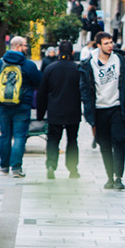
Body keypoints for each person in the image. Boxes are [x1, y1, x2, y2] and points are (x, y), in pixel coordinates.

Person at [79, 32, 125, 190]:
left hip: (117, 108)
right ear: (98, 45)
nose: (110, 45)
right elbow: (85, 89)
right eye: (106, 43)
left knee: (119, 142)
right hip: (99, 109)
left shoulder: (120, 60)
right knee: (104, 144)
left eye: (111, 42)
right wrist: (88, 111)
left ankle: (118, 177)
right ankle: (109, 177)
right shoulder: (89, 64)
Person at [0, 36, 42, 177]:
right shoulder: (28, 65)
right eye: (25, 45)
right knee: (19, 136)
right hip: (22, 105)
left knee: (5, 136)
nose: (26, 48)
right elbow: (39, 82)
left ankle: (4, 166)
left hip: (3, 105)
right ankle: (16, 168)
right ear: (18, 46)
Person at [36, 41, 81, 179]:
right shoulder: (77, 69)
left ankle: (51, 165)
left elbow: (42, 93)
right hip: (73, 111)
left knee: (53, 140)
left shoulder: (50, 69)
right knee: (72, 140)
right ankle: (72, 169)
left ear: (58, 52)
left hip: (55, 111)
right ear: (72, 52)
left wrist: (40, 113)